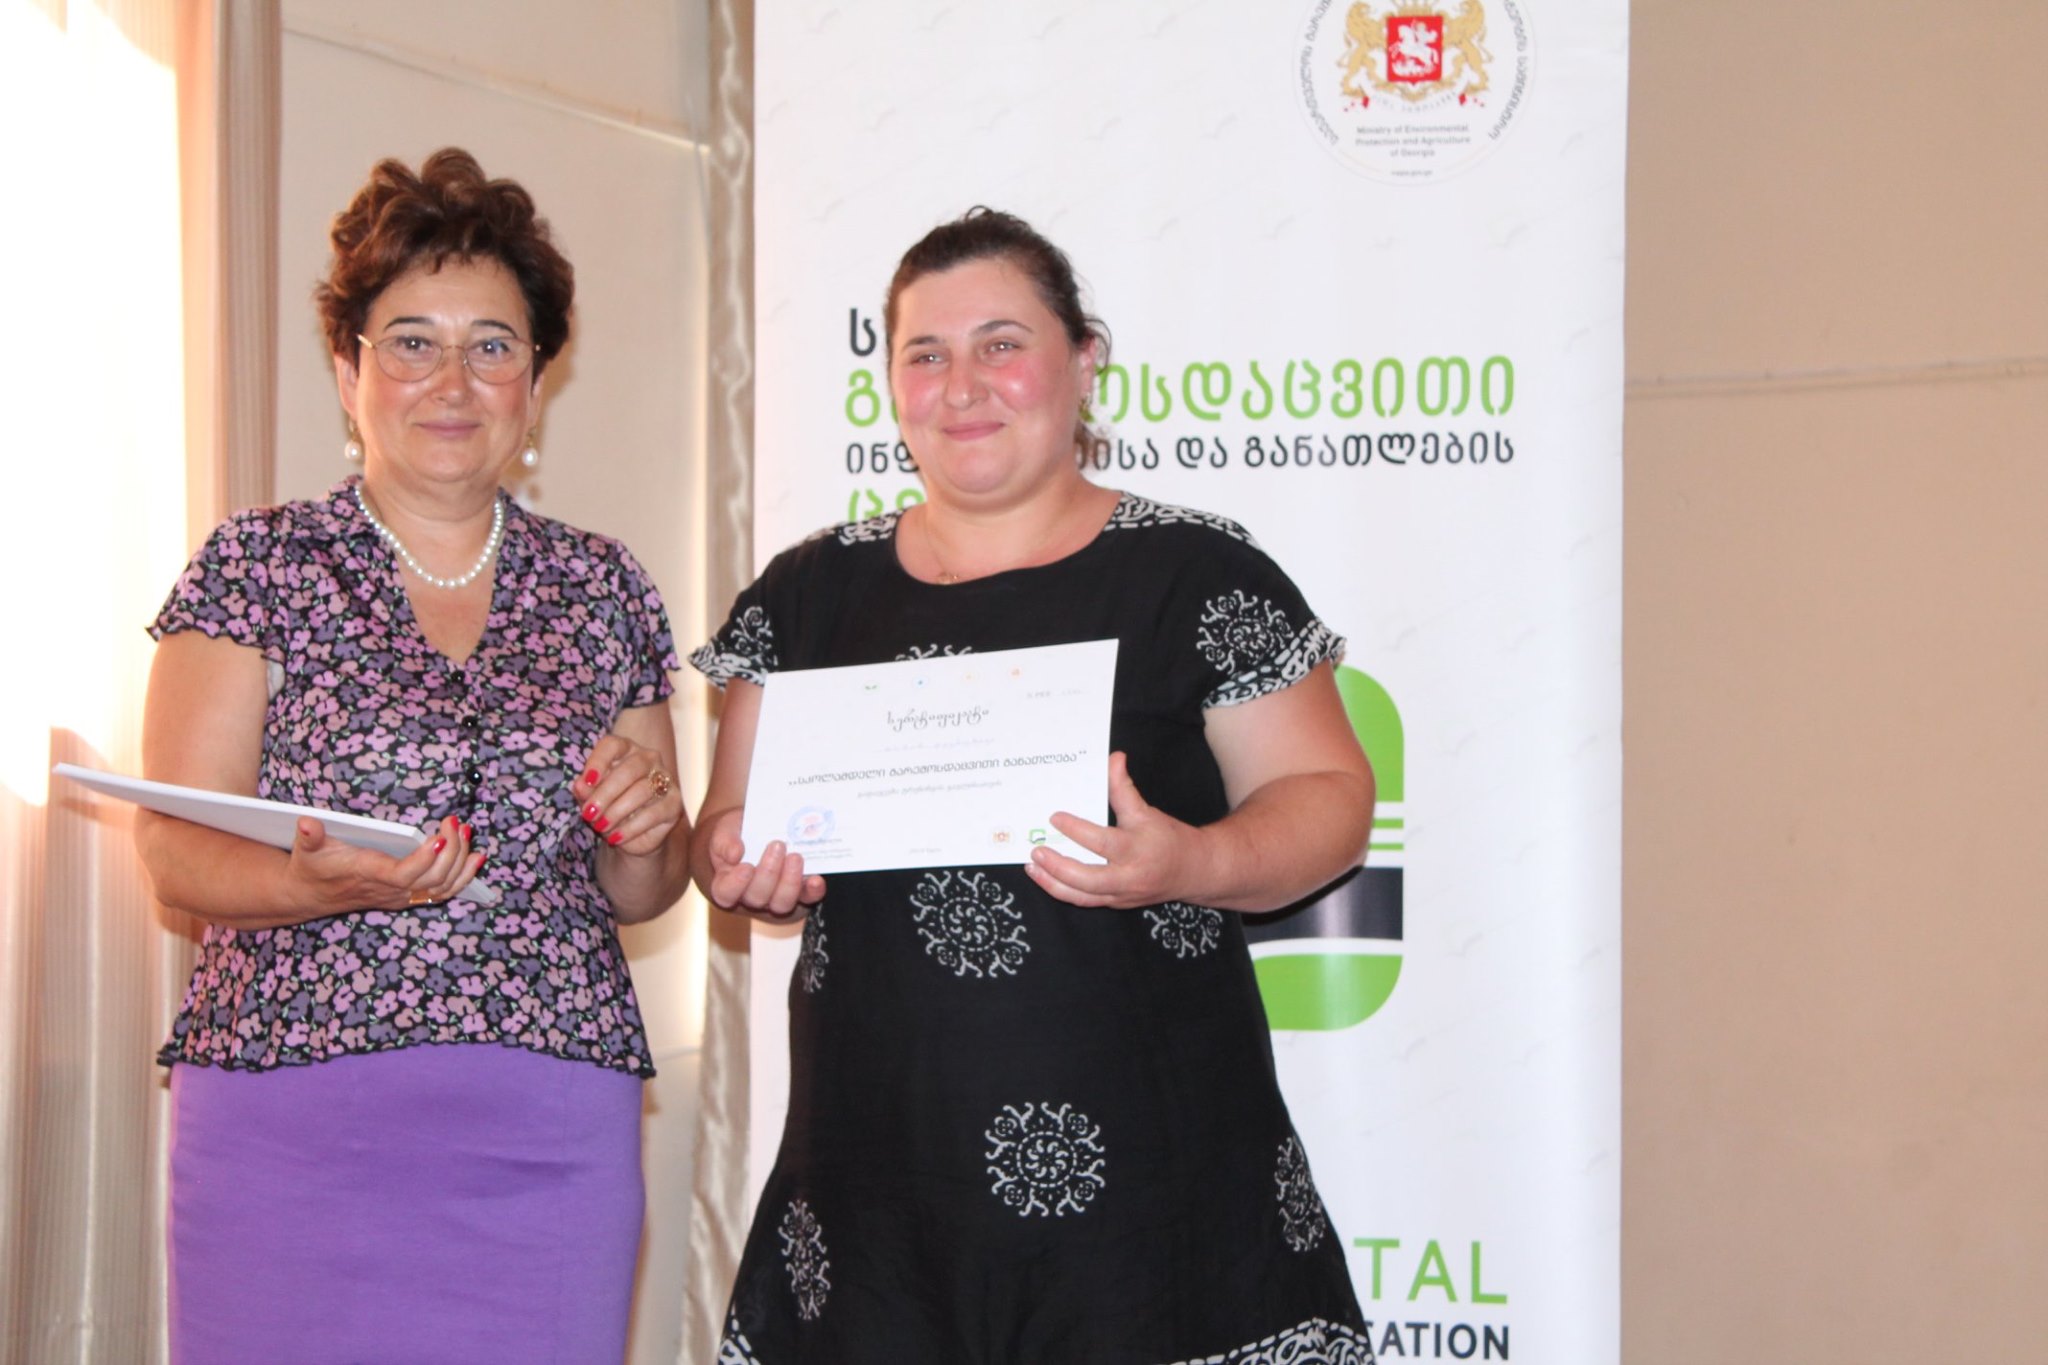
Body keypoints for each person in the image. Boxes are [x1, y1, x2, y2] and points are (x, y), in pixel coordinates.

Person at [691, 208, 1379, 1363]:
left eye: (1001, 345)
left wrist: (1194, 859)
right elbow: (725, 823)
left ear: (1083, 361)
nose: (962, 386)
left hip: (1152, 1200)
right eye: (924, 354)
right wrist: (732, 860)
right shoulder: (806, 595)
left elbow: (1327, 798)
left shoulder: (1194, 574)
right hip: (873, 1200)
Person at [135, 148, 690, 1364]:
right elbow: (174, 849)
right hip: (288, 1115)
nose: (452, 380)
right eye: (410, 343)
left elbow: (643, 887)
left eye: (492, 345)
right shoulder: (259, 564)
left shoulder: (603, 586)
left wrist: (652, 833)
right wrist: (311, 885)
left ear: (535, 381)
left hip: (547, 1127)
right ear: (349, 374)